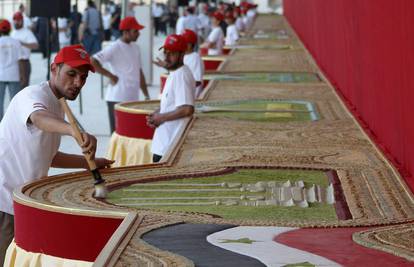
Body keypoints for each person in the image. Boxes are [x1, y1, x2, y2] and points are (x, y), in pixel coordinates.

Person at [0, 44, 113, 265]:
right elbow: (39, 118)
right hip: (4, 202)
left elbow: (48, 156)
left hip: (23, 201)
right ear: (54, 69)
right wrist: (73, 129)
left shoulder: (58, 103)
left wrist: (90, 164)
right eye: (71, 74)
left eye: (83, 77)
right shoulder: (33, 95)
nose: (78, 83)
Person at [91, 17, 150, 133]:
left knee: (131, 135)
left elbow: (139, 72)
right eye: (135, 31)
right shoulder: (114, 47)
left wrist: (146, 95)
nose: (138, 34)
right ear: (125, 32)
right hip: (116, 98)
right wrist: (110, 75)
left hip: (133, 99)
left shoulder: (136, 48)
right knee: (117, 135)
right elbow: (92, 61)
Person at [150, 34, 195, 163]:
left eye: (172, 53)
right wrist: (157, 113)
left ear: (182, 54)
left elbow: (187, 109)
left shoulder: (181, 75)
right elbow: (174, 103)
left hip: (169, 146)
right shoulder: (175, 73)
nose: (167, 57)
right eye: (165, 52)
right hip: (164, 142)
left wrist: (161, 117)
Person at [0, 19, 24, 121]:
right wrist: (22, 74)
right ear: (10, 29)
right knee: (14, 101)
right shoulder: (16, 42)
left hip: (0, 74)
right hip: (14, 74)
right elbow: (20, 60)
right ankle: (13, 122)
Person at [11, 12, 39, 89]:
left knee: (23, 88)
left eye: (18, 20)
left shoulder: (27, 32)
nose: (16, 22)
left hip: (24, 62)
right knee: (15, 87)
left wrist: (22, 43)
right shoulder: (13, 32)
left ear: (22, 21)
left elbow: (35, 45)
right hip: (14, 63)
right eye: (15, 20)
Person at [181, 29, 204, 98]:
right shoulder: (182, 55)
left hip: (190, 96)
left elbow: (197, 81)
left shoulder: (195, 57)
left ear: (190, 44)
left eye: (184, 42)